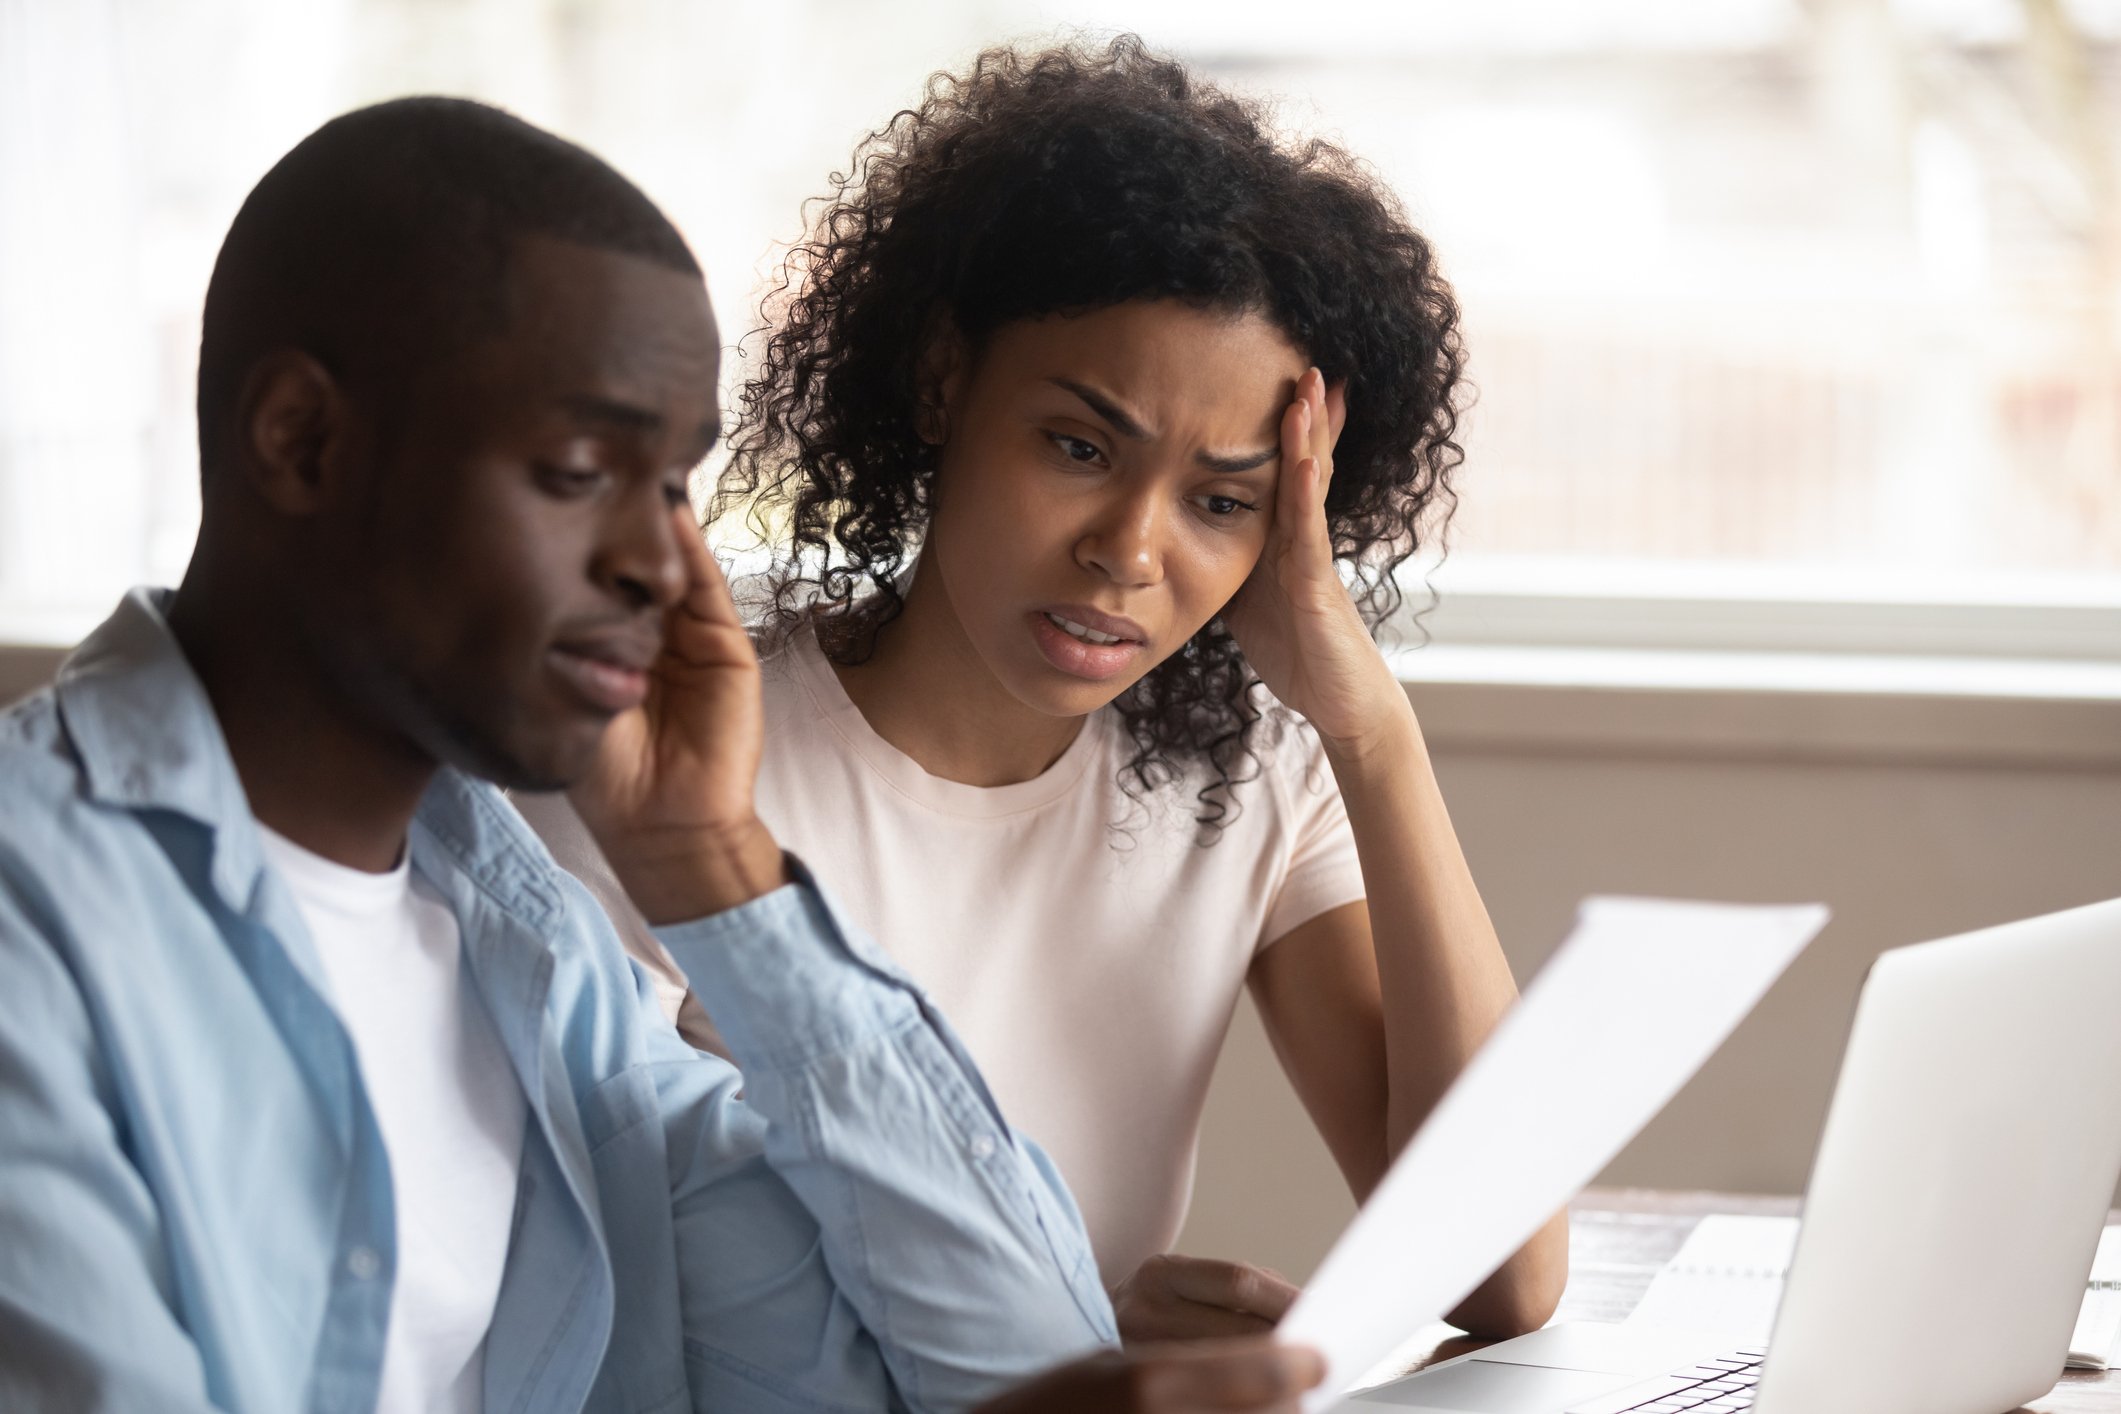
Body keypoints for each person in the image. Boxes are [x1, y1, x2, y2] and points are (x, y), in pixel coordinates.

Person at [0, 96, 1326, 1413]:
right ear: (301, 438)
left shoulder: (529, 949)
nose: (658, 564)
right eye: (581, 471)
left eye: (675, 485)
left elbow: (1018, 1349)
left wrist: (715, 863)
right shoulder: (36, 915)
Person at [519, 37, 1569, 1343]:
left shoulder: (1245, 780)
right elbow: (617, 1313)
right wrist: (1075, 1356)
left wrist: (1374, 734)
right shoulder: (667, 757)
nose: (1130, 551)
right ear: (942, 381)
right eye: (1078, 446)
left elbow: (1502, 1277)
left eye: (1221, 502)